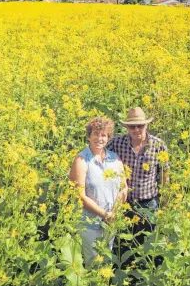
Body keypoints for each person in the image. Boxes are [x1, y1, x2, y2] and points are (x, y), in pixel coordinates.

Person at [69, 117, 128, 268]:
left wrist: (114, 212)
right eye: (96, 134)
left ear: (108, 138)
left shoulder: (114, 159)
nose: (99, 138)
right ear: (89, 136)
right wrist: (105, 214)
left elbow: (123, 187)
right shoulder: (82, 160)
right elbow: (80, 196)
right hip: (90, 224)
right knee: (93, 264)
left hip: (110, 221)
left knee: (106, 264)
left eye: (104, 135)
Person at [106, 107, 170, 215]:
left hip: (149, 204)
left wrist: (165, 205)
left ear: (146, 125)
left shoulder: (158, 145)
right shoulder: (116, 143)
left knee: (150, 231)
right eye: (132, 126)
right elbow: (98, 156)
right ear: (127, 127)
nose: (136, 129)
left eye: (140, 126)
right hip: (123, 204)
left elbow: (165, 175)